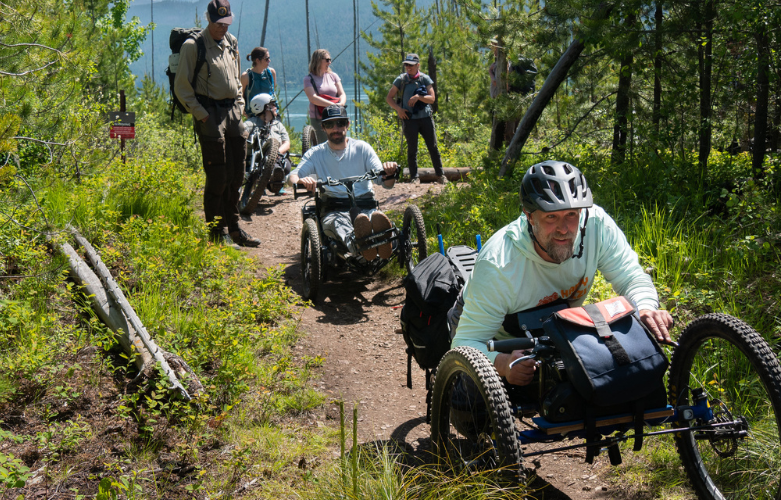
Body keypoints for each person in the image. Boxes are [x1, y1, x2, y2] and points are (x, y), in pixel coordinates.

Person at [451, 160, 674, 388]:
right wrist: (503, 363)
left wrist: (646, 307)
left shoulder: (596, 226)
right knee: (474, 405)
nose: (564, 228)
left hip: (554, 328)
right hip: (494, 337)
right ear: (529, 216)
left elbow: (631, 277)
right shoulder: (498, 263)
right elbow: (465, 344)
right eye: (551, 217)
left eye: (571, 215)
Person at [174, 0, 260, 247]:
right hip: (209, 113)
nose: (223, 27)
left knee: (236, 175)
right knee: (218, 176)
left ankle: (234, 229)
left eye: (227, 23)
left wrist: (241, 104)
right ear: (208, 20)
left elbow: (236, 77)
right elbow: (182, 87)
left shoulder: (231, 42)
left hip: (233, 111)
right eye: (219, 23)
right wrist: (201, 114)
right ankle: (217, 232)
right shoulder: (194, 46)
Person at [288, 105, 398, 261]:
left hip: (366, 204)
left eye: (340, 123)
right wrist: (301, 180)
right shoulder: (316, 154)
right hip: (333, 209)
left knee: (371, 218)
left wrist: (389, 172)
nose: (335, 128)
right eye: (329, 124)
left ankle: (380, 243)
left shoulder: (363, 149)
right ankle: (361, 247)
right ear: (323, 128)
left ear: (347, 124)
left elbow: (385, 182)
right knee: (340, 224)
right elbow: (292, 176)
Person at [385, 53, 446, 185]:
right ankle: (414, 177)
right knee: (412, 149)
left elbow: (432, 98)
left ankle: (440, 175)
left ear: (418, 65)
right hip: (409, 119)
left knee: (433, 147)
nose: (408, 67)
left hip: (425, 118)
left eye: (411, 65)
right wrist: (399, 110)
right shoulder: (401, 80)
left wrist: (418, 97)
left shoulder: (425, 79)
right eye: (406, 65)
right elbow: (389, 98)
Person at [240, 94, 291, 204]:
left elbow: (286, 143)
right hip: (255, 157)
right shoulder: (251, 123)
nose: (275, 107)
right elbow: (241, 133)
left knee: (284, 165)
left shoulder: (278, 125)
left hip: (276, 157)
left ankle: (275, 176)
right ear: (263, 107)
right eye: (272, 105)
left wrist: (276, 153)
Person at [303, 49, 346, 144]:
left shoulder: (333, 76)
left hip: (336, 115)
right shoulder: (308, 79)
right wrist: (333, 105)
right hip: (319, 118)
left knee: (338, 142)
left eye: (330, 60)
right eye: (327, 60)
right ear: (318, 60)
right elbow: (313, 98)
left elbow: (342, 93)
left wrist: (341, 104)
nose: (329, 62)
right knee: (322, 144)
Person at [241, 47, 277, 115]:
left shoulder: (271, 73)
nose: (269, 61)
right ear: (257, 60)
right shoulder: (246, 76)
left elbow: (272, 92)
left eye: (269, 58)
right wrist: (244, 112)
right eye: (266, 59)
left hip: (270, 114)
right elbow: (240, 97)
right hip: (253, 115)